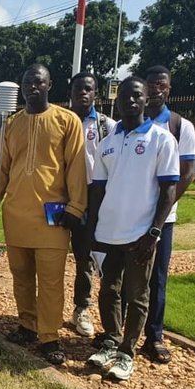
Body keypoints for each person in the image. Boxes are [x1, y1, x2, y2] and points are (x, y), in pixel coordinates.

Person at [0, 64, 87, 365]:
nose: (33, 87)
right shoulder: (12, 124)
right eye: (28, 82)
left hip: (53, 218)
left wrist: (76, 206)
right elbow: (0, 169)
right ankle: (27, 326)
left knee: (52, 280)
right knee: (22, 277)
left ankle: (49, 336)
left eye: (39, 82)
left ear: (50, 84)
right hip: (16, 215)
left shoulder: (67, 121)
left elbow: (77, 167)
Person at [86, 76, 179, 381]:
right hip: (109, 232)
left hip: (141, 234)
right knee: (109, 290)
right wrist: (93, 228)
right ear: (118, 100)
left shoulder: (161, 139)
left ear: (146, 99)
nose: (130, 101)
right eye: (124, 96)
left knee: (137, 294)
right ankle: (111, 341)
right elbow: (97, 190)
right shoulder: (108, 143)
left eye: (136, 96)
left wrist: (154, 232)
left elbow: (168, 191)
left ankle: (128, 352)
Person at [140, 65, 195, 363]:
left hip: (163, 219)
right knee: (125, 275)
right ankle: (119, 331)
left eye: (161, 85)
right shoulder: (130, 122)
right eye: (151, 84)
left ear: (168, 89)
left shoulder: (179, 126)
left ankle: (154, 336)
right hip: (132, 215)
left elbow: (187, 174)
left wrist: (163, 207)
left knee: (157, 278)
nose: (155, 89)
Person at [68, 72, 116, 337]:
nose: (82, 93)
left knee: (85, 257)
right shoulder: (60, 120)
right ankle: (42, 308)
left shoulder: (106, 125)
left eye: (88, 89)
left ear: (96, 93)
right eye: (78, 89)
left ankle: (81, 308)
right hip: (59, 197)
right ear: (70, 91)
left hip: (91, 199)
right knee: (47, 252)